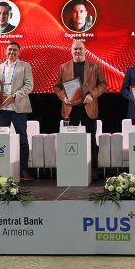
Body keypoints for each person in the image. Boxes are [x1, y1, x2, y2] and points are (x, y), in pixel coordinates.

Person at [54, 40, 107, 176]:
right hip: (70, 109)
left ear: (85, 50)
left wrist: (92, 95)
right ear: (71, 51)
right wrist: (63, 97)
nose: (78, 51)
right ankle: (71, 169)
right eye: (75, 49)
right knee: (70, 141)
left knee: (91, 140)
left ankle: (93, 170)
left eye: (80, 49)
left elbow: (102, 85)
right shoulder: (63, 67)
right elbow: (57, 87)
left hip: (88, 108)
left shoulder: (95, 66)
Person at [0, 42, 34, 180]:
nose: (12, 52)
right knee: (1, 141)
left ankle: (23, 171)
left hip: (19, 108)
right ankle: (2, 170)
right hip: (2, 109)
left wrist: (14, 96)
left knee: (22, 139)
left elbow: (29, 85)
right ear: (5, 51)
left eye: (15, 50)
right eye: (9, 49)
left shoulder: (25, 66)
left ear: (19, 52)